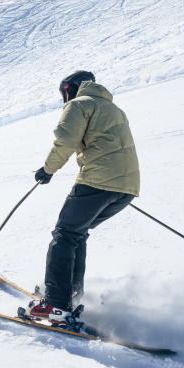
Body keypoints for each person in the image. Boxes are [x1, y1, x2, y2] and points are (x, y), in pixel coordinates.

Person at [24, 71, 140, 328]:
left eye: (64, 93)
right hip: (126, 187)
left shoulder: (79, 104)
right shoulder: (113, 108)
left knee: (65, 234)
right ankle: (71, 292)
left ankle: (55, 305)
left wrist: (47, 170)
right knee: (77, 233)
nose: (64, 99)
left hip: (99, 182)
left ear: (70, 88)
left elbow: (65, 141)